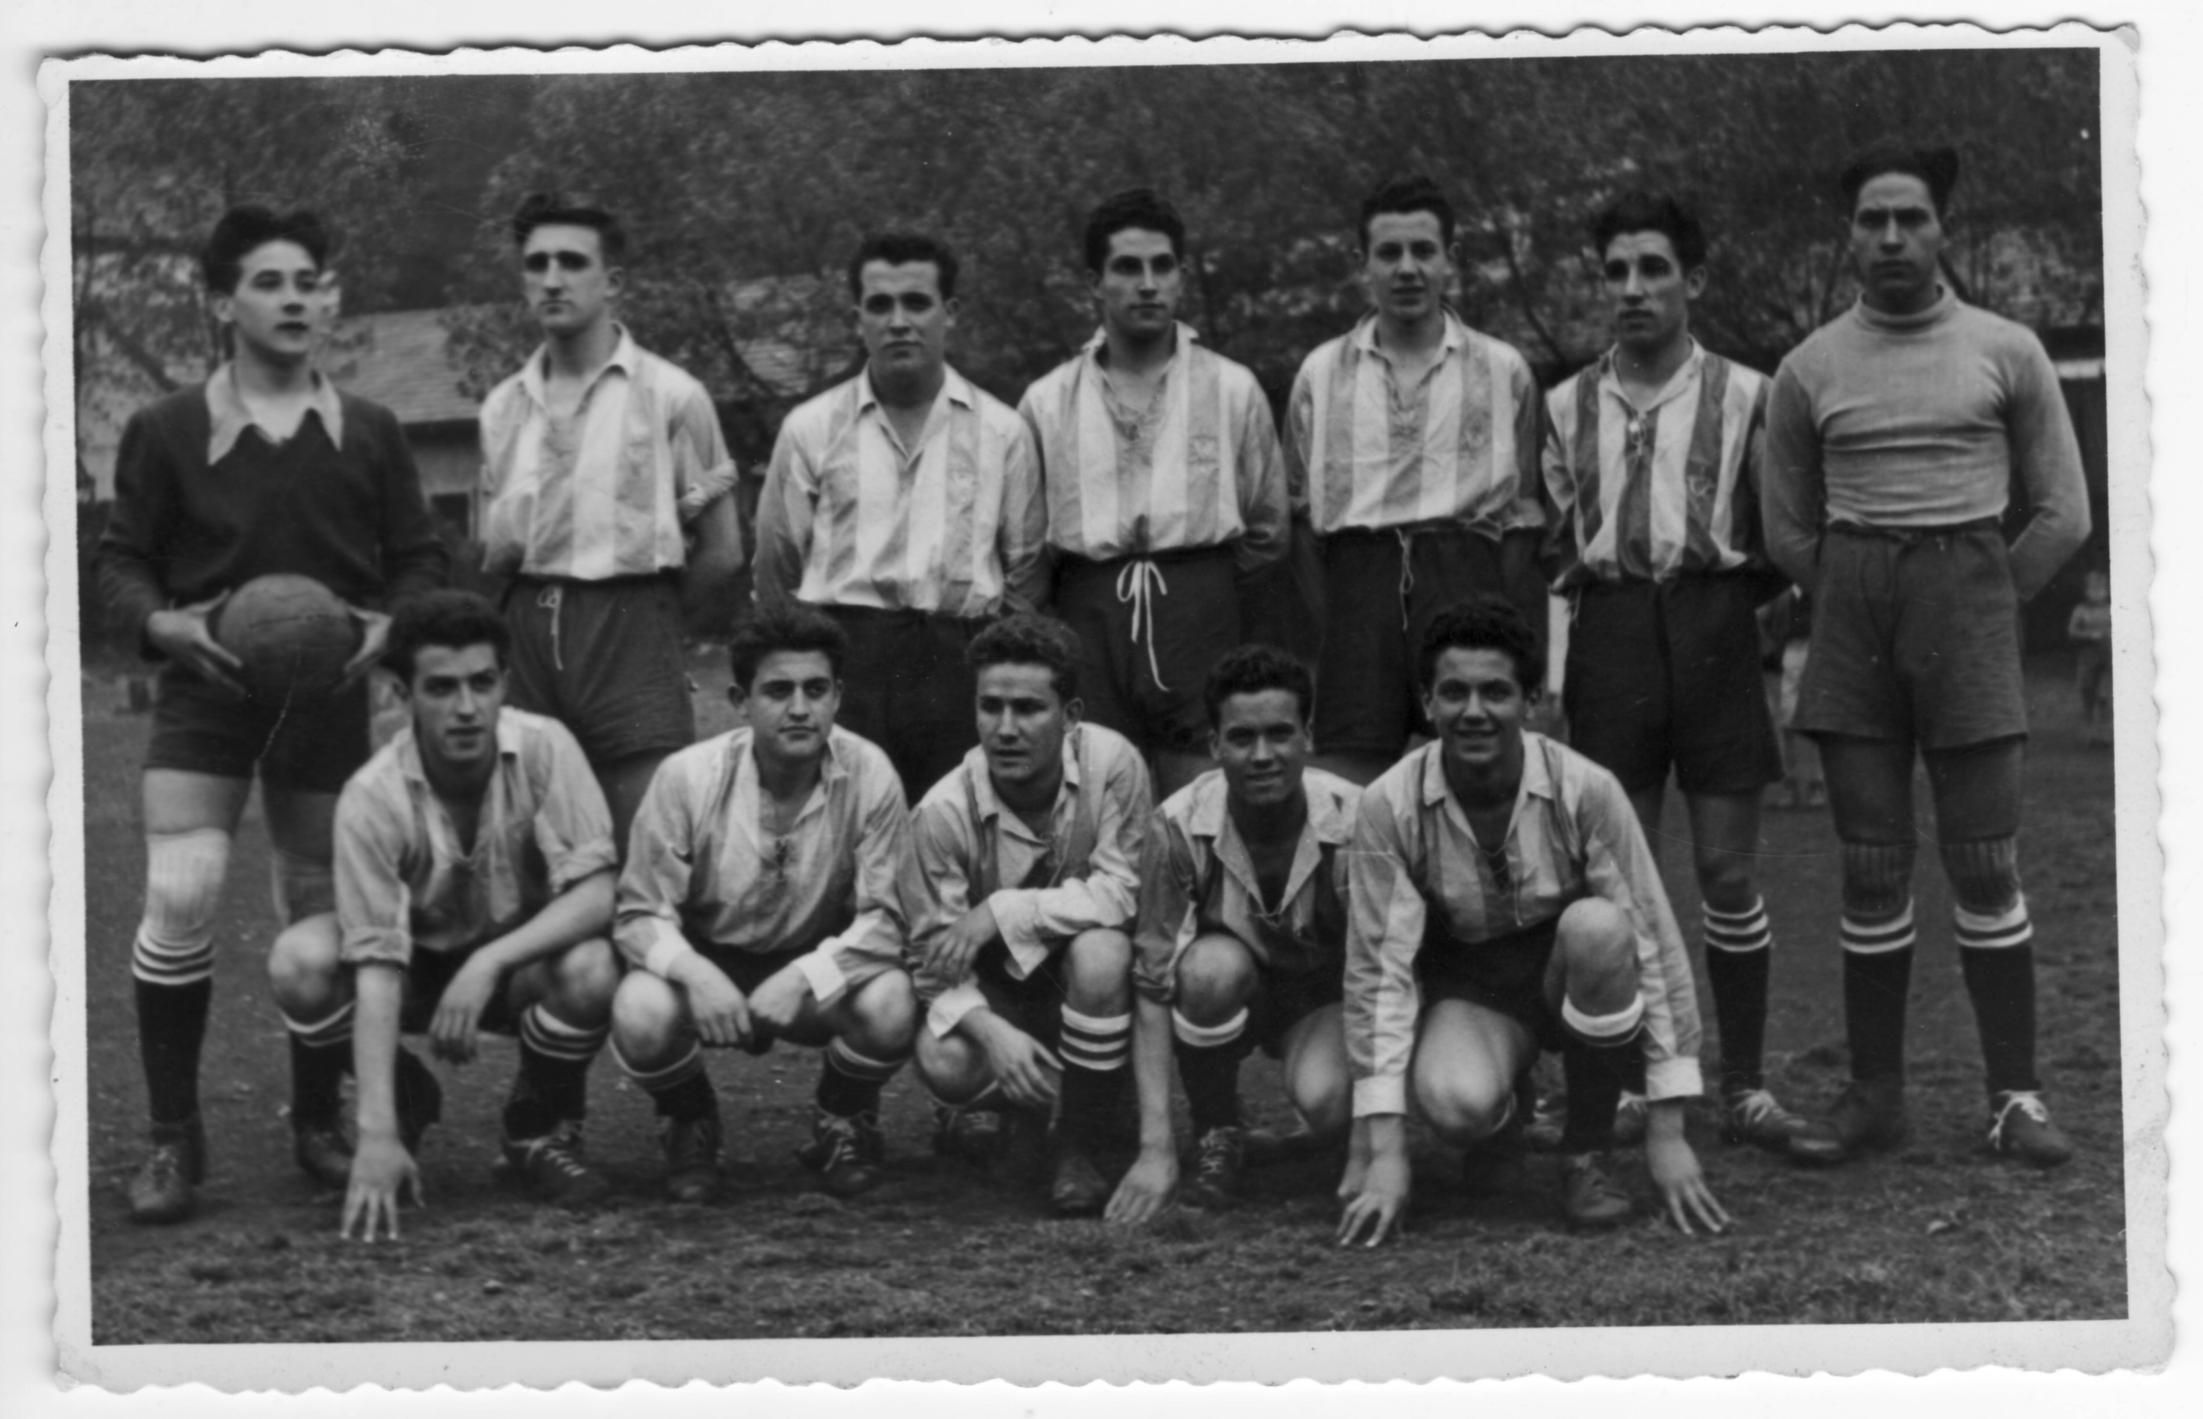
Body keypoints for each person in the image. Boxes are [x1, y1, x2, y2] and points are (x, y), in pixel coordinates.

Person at [95, 205, 448, 1224]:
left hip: (325, 694)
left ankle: (316, 1119)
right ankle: (172, 1138)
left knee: (313, 920)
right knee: (183, 890)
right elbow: (120, 560)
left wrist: (394, 623)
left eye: (312, 281)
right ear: (222, 304)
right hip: (207, 690)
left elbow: (418, 559)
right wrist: (162, 626)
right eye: (271, 282)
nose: (298, 298)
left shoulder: (371, 431)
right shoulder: (164, 429)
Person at [1763, 140, 2091, 1167]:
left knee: (1985, 862)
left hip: (1969, 606)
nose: (1892, 237)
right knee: (1868, 865)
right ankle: (1876, 1097)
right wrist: (1863, 594)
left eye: (1910, 217)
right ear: (1848, 234)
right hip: (1856, 608)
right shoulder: (1807, 366)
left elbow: (2063, 511)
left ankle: (2013, 1099)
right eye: (1872, 220)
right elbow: (1785, 530)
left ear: (1943, 228)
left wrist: (1983, 595)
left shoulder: (2006, 348)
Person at [1335, 597, 1728, 1246]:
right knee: (1453, 1101)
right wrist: (1383, 1150)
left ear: (1533, 700)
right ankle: (1503, 1120)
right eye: (1452, 692)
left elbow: (1652, 942)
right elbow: (1376, 973)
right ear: (1426, 702)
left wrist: (1667, 1131)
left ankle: (1586, 1149)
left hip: (1569, 970)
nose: (1473, 711)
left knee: (1598, 927)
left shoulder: (1586, 787)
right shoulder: (1389, 803)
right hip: (1474, 984)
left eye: (1495, 691)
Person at [1538, 191, 1804, 1150]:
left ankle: (1743, 1084)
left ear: (1692, 279)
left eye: (1653, 269)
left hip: (1712, 625)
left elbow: (1777, 532)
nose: (1633, 289)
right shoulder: (1565, 402)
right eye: (1615, 271)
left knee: (1728, 870)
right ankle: (1622, 1081)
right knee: (1612, 875)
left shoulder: (1750, 391)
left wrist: (1721, 599)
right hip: (1609, 630)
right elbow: (1556, 533)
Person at [256, 591, 623, 1240]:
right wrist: (376, 1133)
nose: (465, 707)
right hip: (413, 972)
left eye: (482, 683)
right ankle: (399, 1097)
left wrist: (490, 961)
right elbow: (374, 964)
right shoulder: (371, 794)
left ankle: (534, 1128)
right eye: (441, 686)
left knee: (594, 966)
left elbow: (596, 893)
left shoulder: (544, 748)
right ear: (401, 693)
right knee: (300, 960)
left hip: (514, 964)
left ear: (504, 682)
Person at [608, 605, 916, 1202]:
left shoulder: (871, 772)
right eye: (778, 691)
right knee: (638, 1009)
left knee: (892, 1002)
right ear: (740, 700)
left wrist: (804, 975)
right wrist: (696, 973)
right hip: (709, 961)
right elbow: (639, 912)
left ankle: (841, 1120)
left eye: (815, 690)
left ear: (837, 697)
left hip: (811, 963)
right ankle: (690, 1120)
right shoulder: (686, 777)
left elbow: (889, 918)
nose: (799, 708)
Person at [476, 192, 744, 848]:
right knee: (530, 852)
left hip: (632, 627)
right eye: (536, 263)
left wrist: (655, 622)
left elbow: (723, 552)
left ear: (612, 282)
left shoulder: (672, 395)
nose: (552, 278)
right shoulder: (502, 408)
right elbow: (490, 555)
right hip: (527, 635)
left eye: (571, 261)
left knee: (644, 854)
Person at [754, 231, 1047, 802]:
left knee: (954, 830)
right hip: (848, 661)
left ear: (949, 312)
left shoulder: (1002, 431)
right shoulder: (811, 428)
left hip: (960, 658)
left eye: (916, 302)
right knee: (847, 827)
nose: (899, 321)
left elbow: (1028, 570)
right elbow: (777, 564)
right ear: (856, 316)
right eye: (880, 305)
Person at [1018, 187, 1289, 798]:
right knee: (1098, 798)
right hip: (1090, 611)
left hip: (1200, 609)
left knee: (1204, 803)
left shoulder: (1232, 389)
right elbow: (1030, 547)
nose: (1147, 284)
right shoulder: (1047, 401)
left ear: (1182, 277)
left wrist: (1200, 590)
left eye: (1161, 267)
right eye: (1127, 268)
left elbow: (1268, 530)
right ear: (1095, 282)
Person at [1284, 175, 1548, 787]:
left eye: (1424, 252)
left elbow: (1523, 513)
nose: (1408, 269)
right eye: (1390, 253)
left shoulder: (1502, 368)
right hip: (1358, 581)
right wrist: (1344, 611)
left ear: (1450, 261)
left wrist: (1483, 598)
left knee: (1473, 773)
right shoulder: (1320, 372)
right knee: (1351, 786)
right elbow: (1297, 518)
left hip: (1463, 574)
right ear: (1363, 266)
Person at [902, 614, 1154, 1216]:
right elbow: (930, 964)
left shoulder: (1114, 763)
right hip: (1002, 991)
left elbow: (1125, 890)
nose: (1006, 729)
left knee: (1103, 951)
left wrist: (1003, 909)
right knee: (945, 1058)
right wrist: (997, 1036)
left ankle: (1080, 1141)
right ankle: (1019, 1108)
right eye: (990, 707)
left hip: (1085, 980)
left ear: (1070, 717)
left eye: (1029, 708)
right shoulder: (941, 811)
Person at [1110, 645, 1358, 1222]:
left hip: (1322, 1000)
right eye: (1242, 738)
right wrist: (1154, 1148)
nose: (1263, 755)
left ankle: (1337, 1127)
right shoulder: (1176, 825)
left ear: (1308, 737)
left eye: (1280, 734)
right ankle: (1217, 1128)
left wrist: (1378, 1142)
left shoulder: (1356, 820)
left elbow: (1386, 970)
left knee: (1327, 1103)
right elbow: (1151, 985)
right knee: (1206, 970)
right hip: (1235, 985)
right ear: (1214, 745)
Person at [2067, 568, 2113, 747]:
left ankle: (2104, 735)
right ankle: (2089, 732)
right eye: (2092, 589)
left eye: (2101, 589)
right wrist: (2089, 634)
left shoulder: (2111, 609)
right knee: (2088, 694)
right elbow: (2071, 631)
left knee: (2104, 697)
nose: (2097, 593)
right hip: (2088, 658)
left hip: (2108, 658)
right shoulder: (2080, 610)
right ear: (2085, 591)